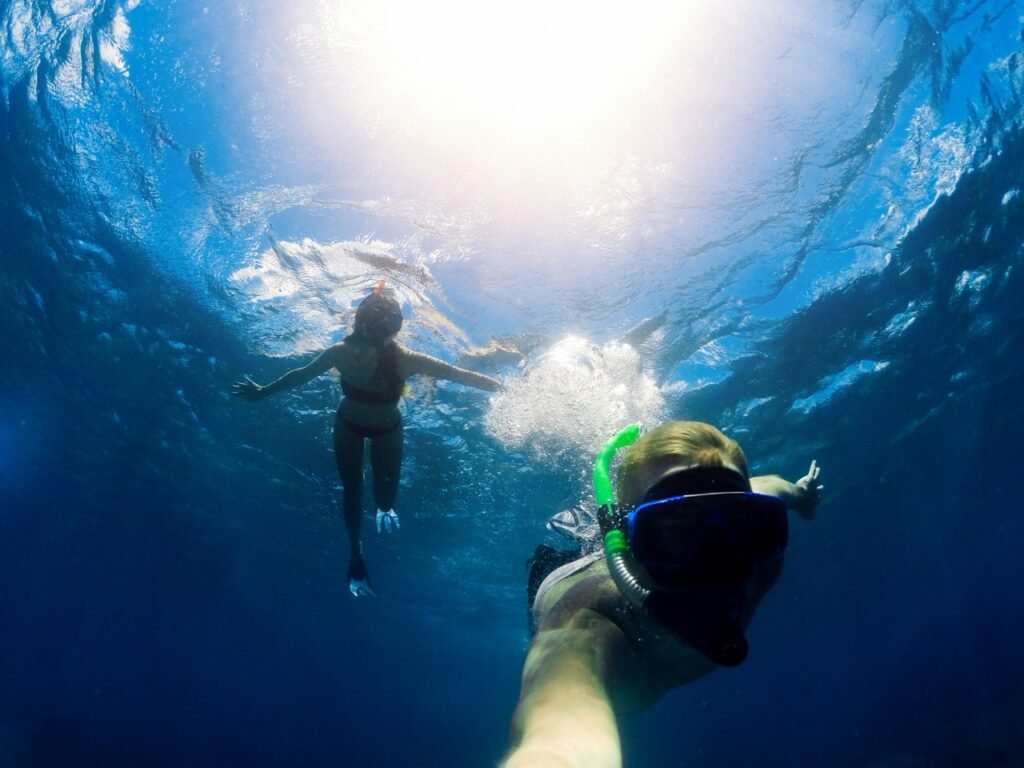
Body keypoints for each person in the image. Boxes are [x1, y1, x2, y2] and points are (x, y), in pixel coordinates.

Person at [502, 420, 823, 768]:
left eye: (741, 523)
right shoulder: (589, 625)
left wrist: (802, 494)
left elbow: (773, 488)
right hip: (565, 574)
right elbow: (557, 730)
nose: (715, 565)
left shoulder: (763, 560)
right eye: (672, 532)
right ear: (631, 546)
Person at [232, 281, 500, 598]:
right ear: (394, 328)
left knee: (365, 494)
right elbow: (461, 375)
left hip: (365, 427)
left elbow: (301, 374)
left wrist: (264, 392)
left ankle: (373, 526)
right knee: (366, 494)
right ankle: (359, 549)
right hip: (365, 427)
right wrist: (263, 392)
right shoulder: (374, 355)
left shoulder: (365, 355)